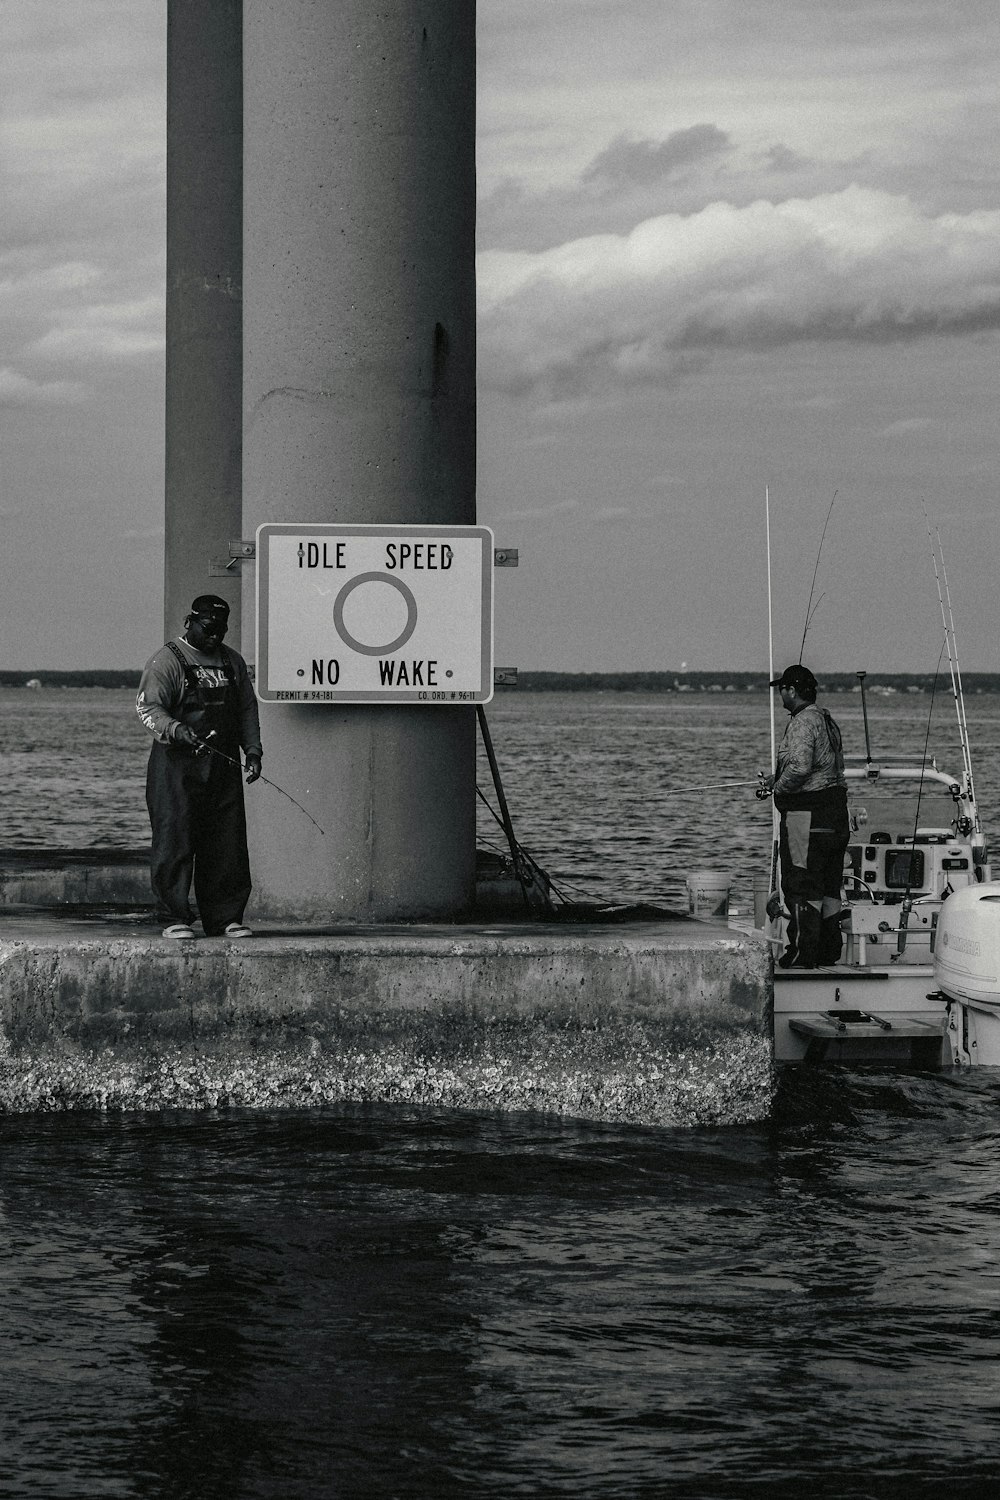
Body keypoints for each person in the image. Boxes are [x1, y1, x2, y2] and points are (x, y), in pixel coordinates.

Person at [136, 595, 262, 940]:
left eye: (220, 630)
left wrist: (252, 750)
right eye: (208, 629)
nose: (215, 637)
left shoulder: (231, 661)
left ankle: (225, 918)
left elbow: (247, 709)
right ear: (189, 622)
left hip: (221, 766)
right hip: (176, 767)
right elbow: (149, 710)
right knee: (174, 838)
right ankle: (173, 916)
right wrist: (176, 729)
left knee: (227, 841)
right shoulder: (166, 660)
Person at [761, 664, 849, 968]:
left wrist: (779, 792)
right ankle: (828, 950)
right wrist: (777, 778)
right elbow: (822, 767)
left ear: (792, 690)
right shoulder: (826, 720)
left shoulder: (801, 722)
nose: (781, 696)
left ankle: (801, 954)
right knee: (828, 887)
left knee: (801, 885)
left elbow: (799, 768)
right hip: (836, 815)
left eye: (782, 690)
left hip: (807, 816)